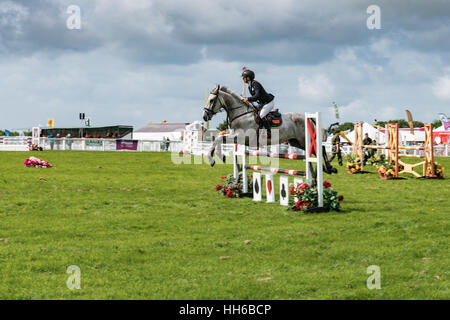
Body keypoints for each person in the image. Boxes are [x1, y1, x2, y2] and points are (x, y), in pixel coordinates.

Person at [240, 68, 275, 139]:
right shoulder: (250, 86)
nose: (243, 79)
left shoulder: (255, 84)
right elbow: (255, 98)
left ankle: (269, 133)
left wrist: (247, 99)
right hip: (262, 103)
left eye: (244, 78)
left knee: (261, 115)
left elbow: (257, 95)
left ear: (248, 78)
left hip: (268, 102)